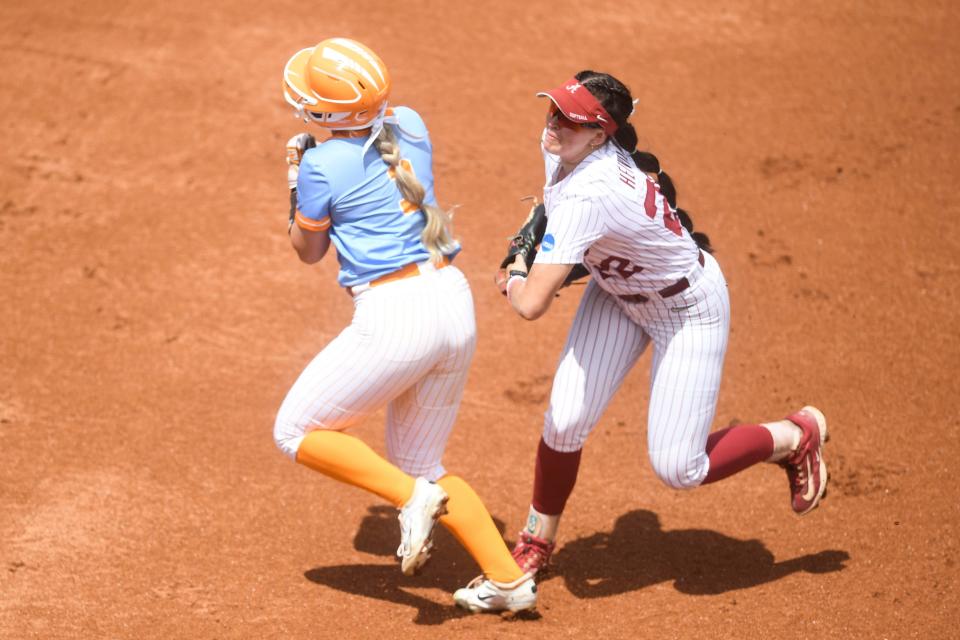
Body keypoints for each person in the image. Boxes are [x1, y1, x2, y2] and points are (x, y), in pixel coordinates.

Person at [497, 71, 830, 576]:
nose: (554, 124)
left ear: (600, 135)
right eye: (554, 110)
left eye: (571, 120)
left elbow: (530, 305)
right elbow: (551, 200)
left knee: (679, 468)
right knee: (563, 421)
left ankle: (793, 436)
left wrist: (516, 270)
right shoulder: (567, 150)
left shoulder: (593, 191)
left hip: (687, 310)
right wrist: (538, 235)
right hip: (616, 294)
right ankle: (536, 541)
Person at [275, 37, 536, 613]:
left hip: (397, 316)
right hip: (451, 300)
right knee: (424, 464)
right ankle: (507, 581)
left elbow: (308, 251)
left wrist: (295, 180)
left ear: (324, 114)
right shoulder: (411, 123)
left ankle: (411, 498)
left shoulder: (322, 164)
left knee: (296, 431)